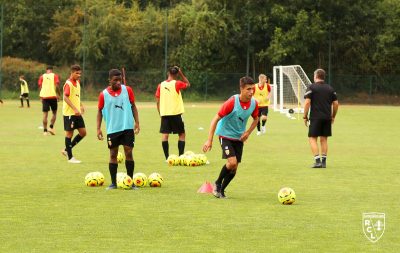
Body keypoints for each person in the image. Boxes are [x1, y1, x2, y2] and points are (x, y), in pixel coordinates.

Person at [203, 77, 259, 198]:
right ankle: (217, 183)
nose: (251, 92)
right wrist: (209, 140)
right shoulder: (232, 102)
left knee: (234, 168)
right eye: (248, 89)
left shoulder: (254, 103)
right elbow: (215, 119)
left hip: (239, 138)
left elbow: (256, 119)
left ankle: (221, 191)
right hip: (225, 135)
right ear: (241, 89)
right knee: (232, 162)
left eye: (253, 89)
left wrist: (248, 132)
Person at [97, 69, 140, 190]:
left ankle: (130, 182)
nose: (118, 82)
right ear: (109, 80)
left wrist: (137, 122)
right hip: (112, 129)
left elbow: (133, 106)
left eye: (119, 80)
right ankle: (113, 183)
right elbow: (99, 111)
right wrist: (98, 128)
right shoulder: (103, 94)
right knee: (113, 154)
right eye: (115, 80)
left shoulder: (128, 90)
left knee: (129, 152)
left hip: (127, 127)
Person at [303, 68, 339, 168]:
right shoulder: (330, 88)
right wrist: (333, 116)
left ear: (315, 76)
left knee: (312, 138)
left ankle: (317, 161)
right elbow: (336, 104)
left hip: (315, 117)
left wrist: (305, 116)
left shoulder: (311, 87)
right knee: (324, 139)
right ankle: (323, 162)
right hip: (327, 117)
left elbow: (307, 102)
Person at [155, 66, 190, 160]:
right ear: (176, 74)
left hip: (165, 114)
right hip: (176, 113)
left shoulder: (160, 85)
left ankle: (167, 158)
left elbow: (157, 101)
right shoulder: (177, 83)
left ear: (168, 73)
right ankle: (181, 156)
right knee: (182, 134)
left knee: (165, 135)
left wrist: (160, 113)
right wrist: (181, 73)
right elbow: (188, 84)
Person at [61, 65, 86, 164]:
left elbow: (76, 96)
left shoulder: (78, 83)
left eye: (80, 73)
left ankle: (66, 150)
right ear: (72, 73)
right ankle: (70, 158)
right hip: (69, 113)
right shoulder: (68, 84)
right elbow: (65, 98)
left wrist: (80, 105)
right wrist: (75, 108)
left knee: (83, 133)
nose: (79, 75)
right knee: (69, 134)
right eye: (77, 73)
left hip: (77, 113)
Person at [38, 66, 61, 136]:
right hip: (53, 96)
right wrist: (59, 94)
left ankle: (45, 131)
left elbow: (40, 87)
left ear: (46, 70)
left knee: (45, 115)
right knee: (54, 113)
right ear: (52, 70)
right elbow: (56, 86)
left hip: (44, 97)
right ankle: (51, 127)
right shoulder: (55, 76)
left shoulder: (42, 76)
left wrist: (41, 96)